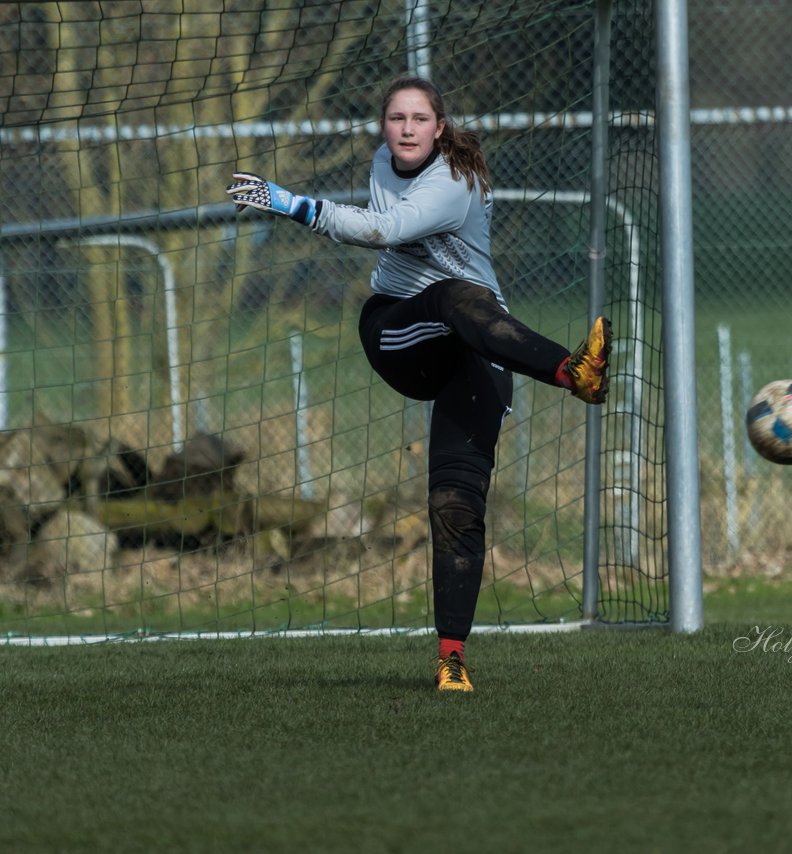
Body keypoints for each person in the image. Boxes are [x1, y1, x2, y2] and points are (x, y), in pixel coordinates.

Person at [227, 76, 611, 693]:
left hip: (477, 346)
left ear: (440, 127)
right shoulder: (385, 162)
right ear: (384, 127)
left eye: (418, 119)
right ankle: (571, 370)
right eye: (395, 118)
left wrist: (293, 203)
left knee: (456, 505)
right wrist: (295, 204)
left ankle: (452, 659)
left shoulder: (454, 183)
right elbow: (385, 234)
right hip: (402, 335)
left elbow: (386, 228)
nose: (405, 129)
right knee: (451, 298)